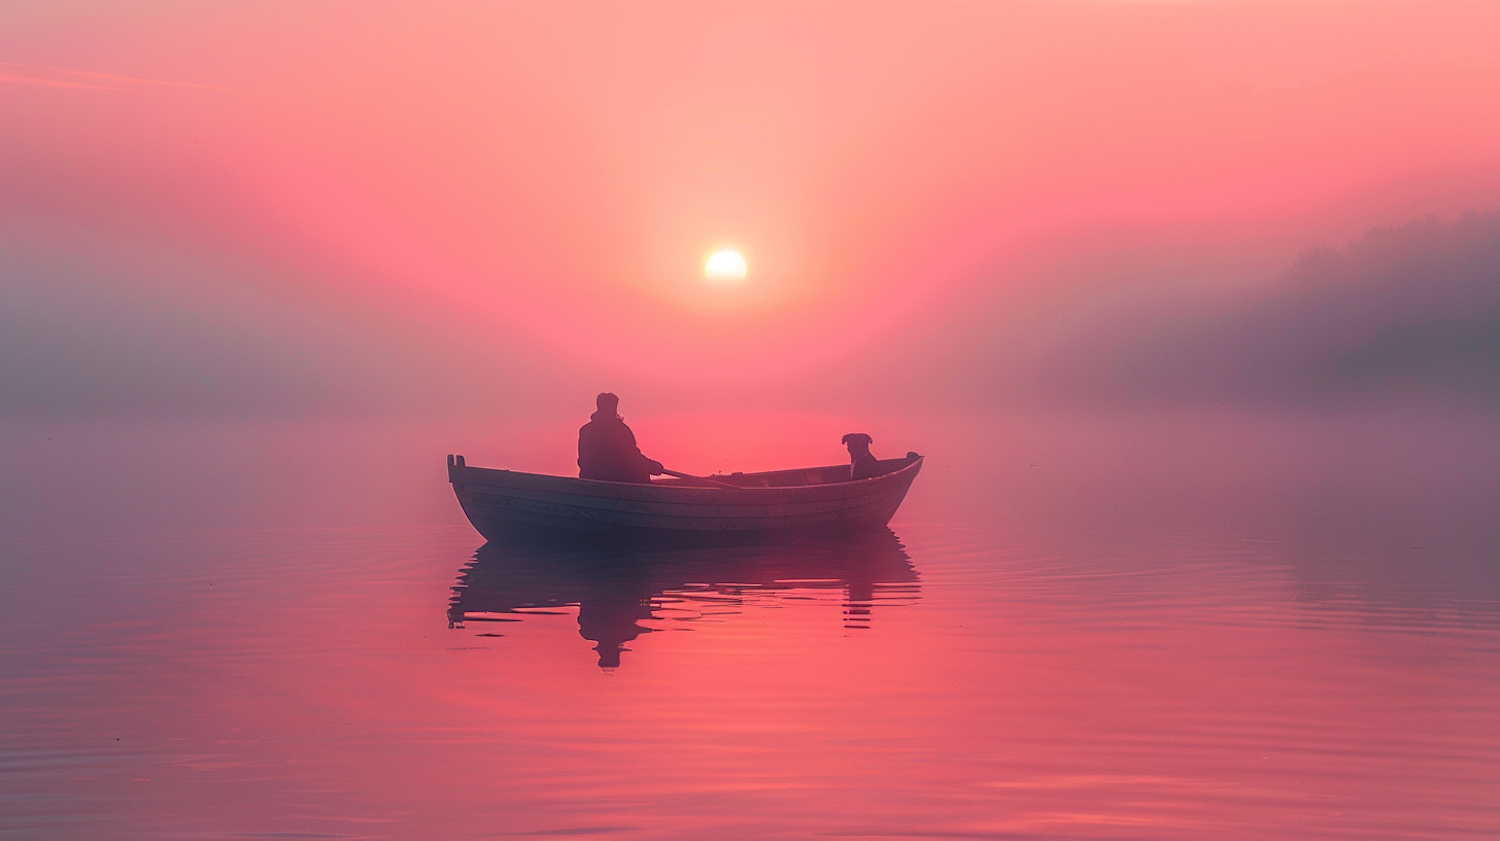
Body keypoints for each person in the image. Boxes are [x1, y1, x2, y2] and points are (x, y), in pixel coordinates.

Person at [578, 393, 664, 483]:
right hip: (618, 479)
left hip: (590, 481)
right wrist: (652, 467)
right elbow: (634, 458)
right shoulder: (621, 431)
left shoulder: (585, 430)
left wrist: (651, 466)